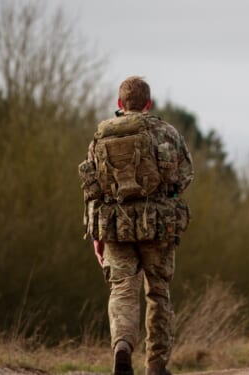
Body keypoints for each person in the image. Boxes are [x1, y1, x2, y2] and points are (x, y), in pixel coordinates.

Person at [78, 76, 194, 375]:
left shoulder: (100, 136)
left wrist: (96, 236)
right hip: (157, 227)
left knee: (122, 290)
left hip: (115, 228)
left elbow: (92, 188)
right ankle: (156, 365)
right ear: (148, 103)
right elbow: (184, 176)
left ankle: (122, 348)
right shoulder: (166, 132)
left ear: (119, 104)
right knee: (157, 292)